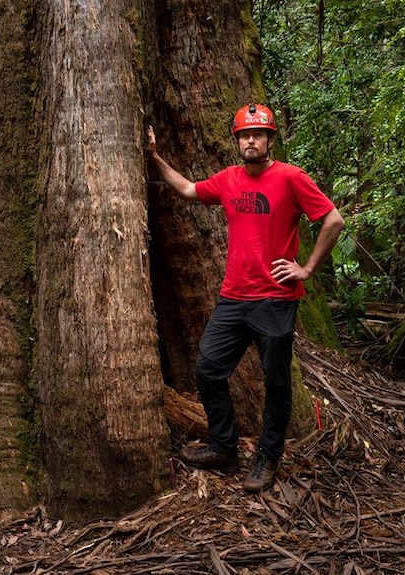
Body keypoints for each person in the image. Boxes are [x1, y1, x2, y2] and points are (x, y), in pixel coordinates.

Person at [146, 103, 344, 492]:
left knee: (277, 382)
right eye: (244, 135)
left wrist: (305, 269)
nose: (251, 140)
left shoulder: (291, 178)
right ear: (237, 141)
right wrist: (153, 157)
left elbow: (333, 220)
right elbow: (188, 189)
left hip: (275, 299)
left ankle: (268, 457)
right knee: (208, 369)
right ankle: (224, 447)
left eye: (258, 134)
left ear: (270, 140)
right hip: (233, 298)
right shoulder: (229, 179)